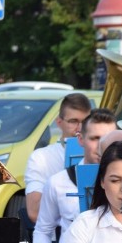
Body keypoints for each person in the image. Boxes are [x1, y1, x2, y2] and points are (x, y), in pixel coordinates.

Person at [32, 108, 117, 243]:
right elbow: (43, 231)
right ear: (80, 139)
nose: (101, 146)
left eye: (108, 139)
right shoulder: (58, 182)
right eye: (95, 138)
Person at [24, 93, 92, 223]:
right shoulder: (41, 158)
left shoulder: (99, 154)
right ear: (59, 122)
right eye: (73, 121)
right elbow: (34, 212)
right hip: (58, 235)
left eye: (85, 122)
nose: (79, 128)